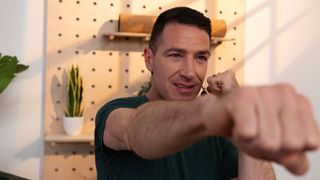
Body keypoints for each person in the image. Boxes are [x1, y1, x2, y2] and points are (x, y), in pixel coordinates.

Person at [95, 7, 320, 180]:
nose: (190, 72)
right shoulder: (115, 112)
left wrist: (242, 112)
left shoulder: (216, 135)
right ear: (149, 59)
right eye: (175, 55)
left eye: (200, 57)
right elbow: (136, 132)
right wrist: (210, 111)